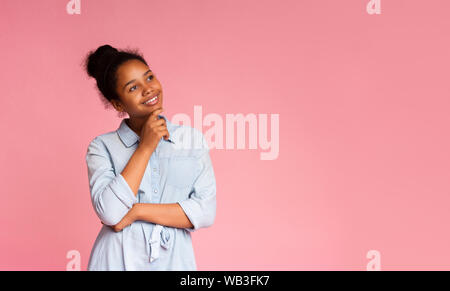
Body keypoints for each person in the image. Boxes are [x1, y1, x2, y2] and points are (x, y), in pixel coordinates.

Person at [82, 44, 216, 270]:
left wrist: (137, 211)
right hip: (116, 260)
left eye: (149, 77)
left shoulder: (191, 140)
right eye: (133, 88)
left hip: (175, 262)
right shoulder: (101, 147)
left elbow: (205, 212)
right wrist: (145, 147)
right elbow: (111, 213)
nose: (148, 89)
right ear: (118, 104)